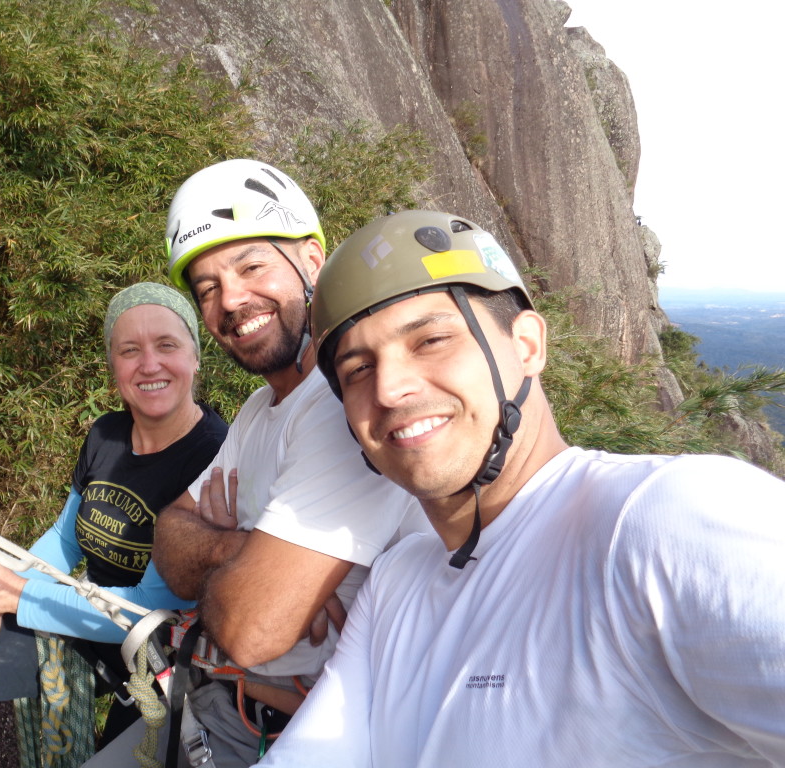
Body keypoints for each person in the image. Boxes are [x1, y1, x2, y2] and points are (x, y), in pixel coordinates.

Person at [256, 210, 785, 767]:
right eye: (358, 369)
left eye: (431, 339)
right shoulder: (398, 581)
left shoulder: (660, 517)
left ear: (527, 344)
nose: (389, 388)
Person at [107, 159, 426, 767]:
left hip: (290, 733)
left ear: (311, 262)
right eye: (206, 289)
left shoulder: (342, 405)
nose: (230, 299)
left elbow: (253, 628)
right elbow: (167, 539)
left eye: (251, 265)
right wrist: (246, 552)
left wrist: (241, 564)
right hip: (209, 706)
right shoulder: (257, 411)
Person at [0, 282, 229, 768]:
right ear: (113, 365)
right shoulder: (106, 434)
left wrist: (15, 598)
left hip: (161, 654)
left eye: (167, 345)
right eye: (130, 350)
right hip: (83, 612)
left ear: (195, 356)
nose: (149, 365)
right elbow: (64, 541)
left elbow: (148, 608)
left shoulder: (214, 456)